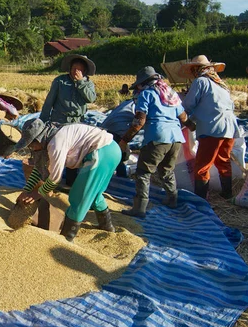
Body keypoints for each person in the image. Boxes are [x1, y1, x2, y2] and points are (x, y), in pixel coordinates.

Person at [14, 118, 121, 241]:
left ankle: (66, 238)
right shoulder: (48, 137)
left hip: (103, 151)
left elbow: (55, 178)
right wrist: (26, 190)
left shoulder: (55, 144)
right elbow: (39, 169)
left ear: (37, 139)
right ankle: (107, 226)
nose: (31, 148)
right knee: (94, 194)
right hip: (109, 150)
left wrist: (38, 193)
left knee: (79, 195)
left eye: (31, 144)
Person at [119, 66, 190, 218]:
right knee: (166, 170)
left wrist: (124, 140)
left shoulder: (146, 94)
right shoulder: (170, 94)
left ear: (142, 83)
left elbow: (139, 121)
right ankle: (172, 199)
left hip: (157, 137)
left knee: (143, 172)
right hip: (176, 138)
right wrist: (195, 129)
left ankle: (139, 208)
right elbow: (184, 117)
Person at [179, 55, 239, 199]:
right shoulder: (221, 84)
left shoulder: (200, 81)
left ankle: (200, 199)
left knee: (202, 165)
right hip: (230, 128)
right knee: (223, 161)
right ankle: (227, 194)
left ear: (196, 69)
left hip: (212, 128)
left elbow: (188, 105)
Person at [39, 54, 97, 186]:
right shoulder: (60, 81)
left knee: (74, 153)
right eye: (74, 69)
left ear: (84, 71)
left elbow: (91, 99)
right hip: (59, 121)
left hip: (77, 122)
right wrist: (43, 122)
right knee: (54, 149)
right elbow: (49, 103)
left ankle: (71, 182)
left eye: (79, 70)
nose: (75, 72)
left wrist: (80, 82)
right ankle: (48, 181)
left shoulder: (88, 84)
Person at [99, 96, 135, 177]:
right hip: (116, 131)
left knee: (108, 154)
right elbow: (140, 121)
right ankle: (120, 178)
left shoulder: (127, 102)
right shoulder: (140, 104)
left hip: (106, 128)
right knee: (121, 156)